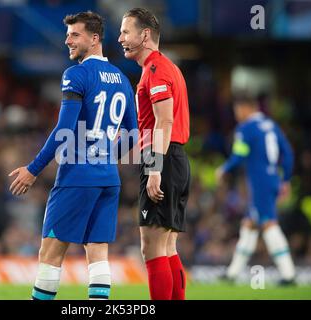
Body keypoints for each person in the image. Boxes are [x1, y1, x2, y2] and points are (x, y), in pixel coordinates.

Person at [9, 11, 137, 300]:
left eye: (74, 35)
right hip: (108, 179)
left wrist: (33, 169)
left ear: (94, 39)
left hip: (77, 176)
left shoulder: (76, 74)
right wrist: (105, 159)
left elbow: (63, 129)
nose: (68, 40)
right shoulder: (122, 80)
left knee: (51, 251)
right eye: (67, 34)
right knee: (98, 253)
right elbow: (134, 134)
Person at [118, 8, 191, 300]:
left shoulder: (156, 70)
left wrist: (154, 168)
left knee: (151, 247)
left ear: (144, 35)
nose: (121, 38)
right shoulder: (167, 68)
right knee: (167, 247)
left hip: (163, 160)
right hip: (174, 157)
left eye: (126, 31)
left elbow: (165, 121)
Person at [216, 93, 296, 285]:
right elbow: (288, 153)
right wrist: (285, 179)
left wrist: (224, 169)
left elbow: (239, 154)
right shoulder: (271, 125)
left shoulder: (246, 128)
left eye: (237, 110)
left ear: (246, 108)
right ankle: (232, 273)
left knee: (269, 224)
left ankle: (289, 274)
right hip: (272, 178)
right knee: (249, 226)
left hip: (259, 182)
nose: (236, 114)